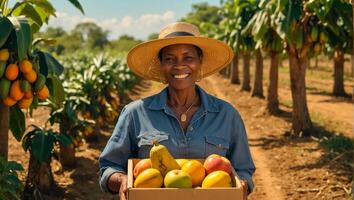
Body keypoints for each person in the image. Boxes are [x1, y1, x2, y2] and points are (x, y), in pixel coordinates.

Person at [98, 22, 255, 200]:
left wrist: (242, 183)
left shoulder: (226, 115)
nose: (179, 65)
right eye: (170, 59)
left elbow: (244, 169)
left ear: (199, 61)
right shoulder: (135, 113)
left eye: (188, 58)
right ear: (161, 64)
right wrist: (122, 180)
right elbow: (108, 168)